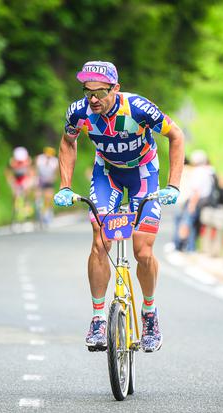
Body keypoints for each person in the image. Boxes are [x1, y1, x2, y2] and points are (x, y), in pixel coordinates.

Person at [54, 60, 185, 352]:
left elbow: (176, 135)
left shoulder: (137, 107)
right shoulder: (79, 111)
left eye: (100, 92)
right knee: (100, 244)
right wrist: (64, 185)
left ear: (116, 88)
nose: (94, 99)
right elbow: (67, 142)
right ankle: (99, 318)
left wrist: (174, 184)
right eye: (88, 92)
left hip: (143, 175)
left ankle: (149, 313)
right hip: (107, 175)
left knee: (143, 250)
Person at [174, 150, 215, 252]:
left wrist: (191, 205)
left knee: (186, 222)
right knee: (192, 225)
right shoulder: (207, 171)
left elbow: (196, 191)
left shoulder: (198, 172)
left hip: (195, 201)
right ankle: (190, 247)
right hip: (204, 202)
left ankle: (181, 245)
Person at [7, 146, 35, 222]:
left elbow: (31, 173)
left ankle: (27, 204)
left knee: (27, 190)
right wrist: (11, 182)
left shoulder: (28, 161)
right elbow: (9, 173)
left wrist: (29, 182)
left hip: (25, 178)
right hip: (17, 179)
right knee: (15, 193)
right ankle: (15, 208)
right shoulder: (12, 162)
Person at [35, 146, 59, 225]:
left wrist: (53, 179)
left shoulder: (55, 161)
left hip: (49, 180)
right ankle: (38, 208)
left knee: (48, 197)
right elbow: (36, 169)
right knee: (37, 195)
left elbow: (56, 172)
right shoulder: (40, 159)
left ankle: (47, 212)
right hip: (40, 179)